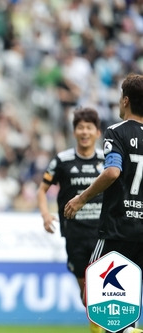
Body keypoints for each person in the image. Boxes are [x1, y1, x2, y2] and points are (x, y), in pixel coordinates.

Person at [64, 73, 143, 333]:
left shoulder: (116, 132)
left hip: (118, 228)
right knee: (125, 300)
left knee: (96, 298)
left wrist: (81, 198)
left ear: (126, 100)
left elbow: (112, 172)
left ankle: (127, 330)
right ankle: (128, 328)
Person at [37, 107, 104, 333]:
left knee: (102, 286)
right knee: (86, 292)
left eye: (89, 127)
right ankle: (96, 326)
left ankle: (106, 328)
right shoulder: (62, 160)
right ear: (74, 131)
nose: (84, 132)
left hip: (103, 234)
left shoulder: (108, 161)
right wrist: (46, 215)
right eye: (80, 127)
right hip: (74, 234)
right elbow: (41, 190)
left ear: (97, 132)